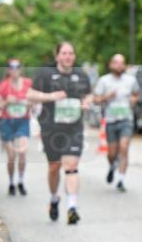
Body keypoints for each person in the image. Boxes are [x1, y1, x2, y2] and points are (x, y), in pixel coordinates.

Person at [28, 43, 93, 224]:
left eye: (71, 53)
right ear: (57, 56)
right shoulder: (45, 74)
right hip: (51, 128)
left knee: (71, 165)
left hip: (74, 128)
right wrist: (51, 96)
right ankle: (54, 198)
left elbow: (89, 95)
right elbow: (29, 95)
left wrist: (86, 102)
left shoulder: (81, 75)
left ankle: (72, 207)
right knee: (54, 167)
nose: (68, 56)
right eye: (64, 53)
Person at [94, 54, 140, 192]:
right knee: (112, 153)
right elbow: (95, 99)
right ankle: (112, 165)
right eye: (116, 62)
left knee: (124, 148)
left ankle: (121, 180)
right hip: (111, 121)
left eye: (122, 63)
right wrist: (107, 96)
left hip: (126, 120)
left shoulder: (131, 80)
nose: (119, 65)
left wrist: (134, 100)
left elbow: (136, 94)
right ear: (110, 64)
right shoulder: (104, 80)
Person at [0, 59, 33, 195]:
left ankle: (20, 181)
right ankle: (11, 182)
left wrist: (29, 103)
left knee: (22, 152)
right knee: (11, 156)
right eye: (12, 67)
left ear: (21, 69)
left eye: (17, 67)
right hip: (7, 122)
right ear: (8, 70)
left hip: (23, 121)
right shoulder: (3, 85)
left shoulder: (28, 83)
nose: (14, 70)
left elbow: (35, 101)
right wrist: (6, 102)